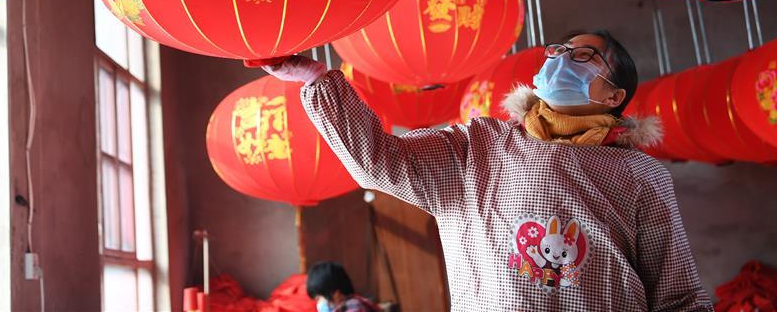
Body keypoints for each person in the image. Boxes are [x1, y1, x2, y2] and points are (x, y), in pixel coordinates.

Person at [264, 30, 711, 312]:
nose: (559, 59)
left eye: (583, 57)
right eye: (558, 50)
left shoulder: (639, 174)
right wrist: (315, 78)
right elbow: (376, 161)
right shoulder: (479, 144)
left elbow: (677, 294)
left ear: (615, 96)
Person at [306, 261, 378, 312]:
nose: (319, 304)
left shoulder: (355, 307)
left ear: (336, 294)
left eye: (319, 299)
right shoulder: (342, 307)